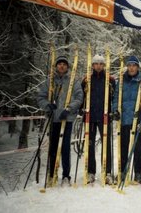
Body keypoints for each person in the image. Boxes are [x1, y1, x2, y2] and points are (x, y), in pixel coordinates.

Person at [37, 55, 83, 186]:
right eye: (59, 64)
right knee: (53, 148)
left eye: (64, 64)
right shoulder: (50, 81)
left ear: (67, 67)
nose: (62, 66)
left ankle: (66, 176)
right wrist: (47, 105)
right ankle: (52, 174)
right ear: (56, 66)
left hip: (67, 118)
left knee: (65, 148)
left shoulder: (73, 81)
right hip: (54, 119)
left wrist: (69, 109)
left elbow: (79, 97)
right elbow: (40, 97)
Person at [112, 55, 141, 183]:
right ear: (127, 67)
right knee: (123, 146)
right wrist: (115, 110)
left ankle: (138, 171)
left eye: (134, 65)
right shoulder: (122, 80)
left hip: (136, 118)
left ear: (138, 67)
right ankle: (122, 171)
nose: (132, 68)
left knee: (137, 147)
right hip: (124, 118)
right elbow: (116, 96)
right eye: (130, 65)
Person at [81, 54, 116, 184]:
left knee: (106, 145)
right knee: (89, 144)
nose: (98, 66)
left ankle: (107, 172)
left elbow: (114, 97)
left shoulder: (110, 80)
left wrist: (112, 110)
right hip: (90, 116)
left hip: (104, 115)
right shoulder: (87, 79)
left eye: (101, 64)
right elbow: (82, 96)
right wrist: (81, 108)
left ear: (104, 65)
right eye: (96, 64)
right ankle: (91, 172)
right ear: (93, 65)